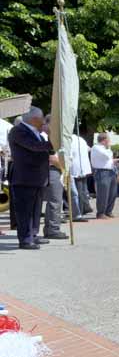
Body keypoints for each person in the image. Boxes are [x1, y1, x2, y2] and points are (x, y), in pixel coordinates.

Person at [7, 107, 53, 250]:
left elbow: (47, 150)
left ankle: (33, 234)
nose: (44, 122)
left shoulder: (35, 132)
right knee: (24, 211)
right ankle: (25, 240)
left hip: (37, 178)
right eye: (42, 119)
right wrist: (52, 138)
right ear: (34, 119)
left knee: (35, 210)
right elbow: (35, 147)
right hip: (24, 178)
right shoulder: (18, 131)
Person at [40, 115, 68, 239]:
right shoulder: (45, 136)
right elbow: (51, 157)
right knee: (55, 201)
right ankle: (53, 229)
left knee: (55, 201)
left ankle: (50, 228)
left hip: (54, 169)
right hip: (51, 169)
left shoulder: (50, 136)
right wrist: (62, 165)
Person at [90, 132, 119, 219]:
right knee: (103, 193)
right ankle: (101, 212)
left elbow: (108, 159)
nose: (110, 141)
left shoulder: (104, 148)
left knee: (112, 192)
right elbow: (107, 155)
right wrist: (109, 147)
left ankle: (108, 211)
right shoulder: (96, 147)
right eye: (108, 139)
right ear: (104, 140)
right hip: (102, 172)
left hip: (111, 171)